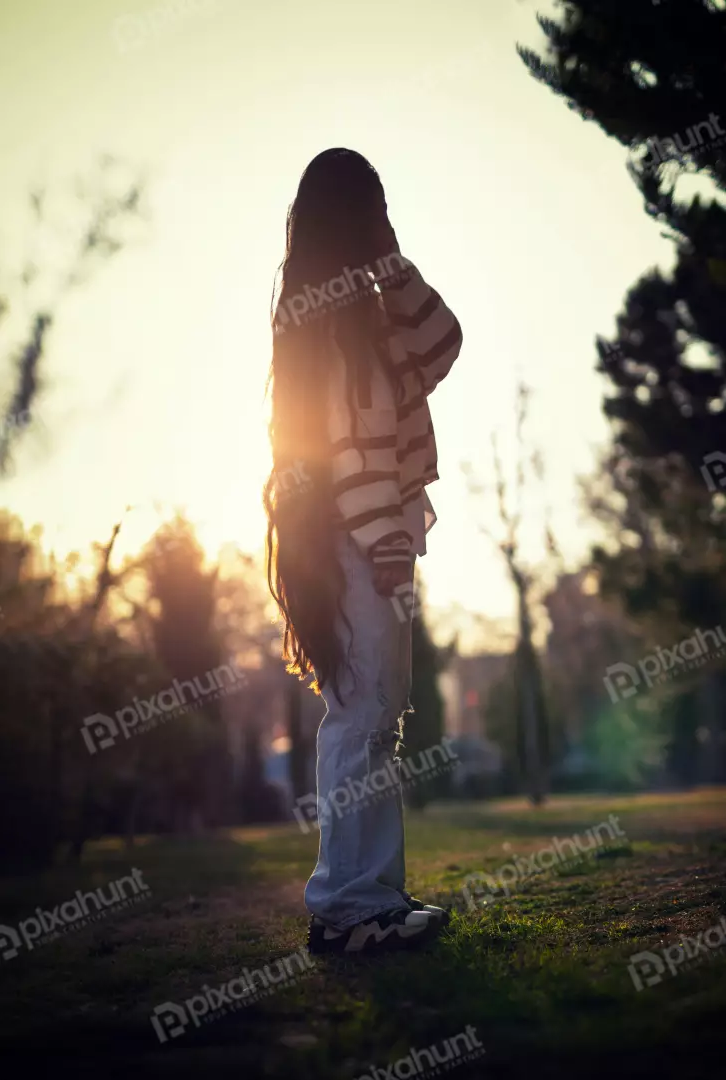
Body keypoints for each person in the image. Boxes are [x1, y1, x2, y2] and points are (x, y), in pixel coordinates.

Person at [263, 148, 463, 953]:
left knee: (377, 718)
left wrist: (390, 260)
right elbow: (339, 440)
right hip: (354, 538)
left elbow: (443, 343)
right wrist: (383, 537)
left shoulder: (370, 310)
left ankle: (371, 897)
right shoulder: (317, 319)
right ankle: (346, 907)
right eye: (370, 208)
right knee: (360, 718)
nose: (380, 218)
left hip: (374, 535)